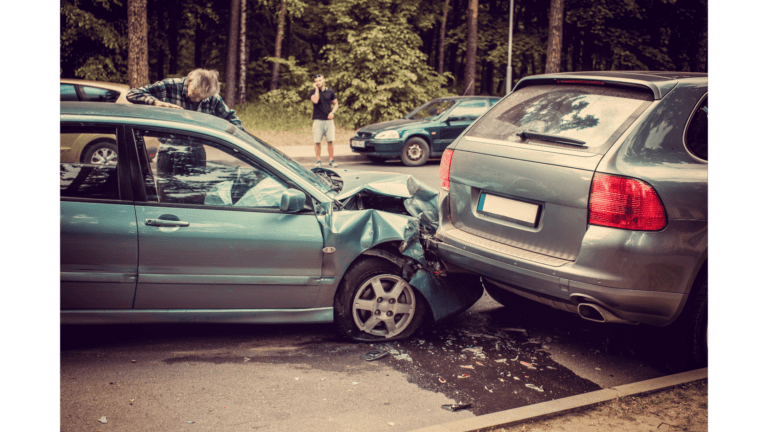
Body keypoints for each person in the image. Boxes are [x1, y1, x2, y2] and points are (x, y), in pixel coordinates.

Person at [127, 69, 244, 129]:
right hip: (169, 149)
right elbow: (132, 94)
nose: (197, 99)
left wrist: (245, 140)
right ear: (189, 82)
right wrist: (156, 103)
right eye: (194, 94)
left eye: (202, 98)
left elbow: (230, 118)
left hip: (197, 150)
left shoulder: (213, 97)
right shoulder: (169, 85)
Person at [310, 74, 339, 168]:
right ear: (315, 83)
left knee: (330, 141)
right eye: (316, 81)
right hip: (318, 120)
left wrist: (333, 112)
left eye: (320, 80)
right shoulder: (313, 92)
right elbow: (315, 101)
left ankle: (331, 160)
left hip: (328, 121)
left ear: (324, 80)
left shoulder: (330, 91)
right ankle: (318, 161)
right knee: (317, 142)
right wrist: (316, 89)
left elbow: (336, 104)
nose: (318, 82)